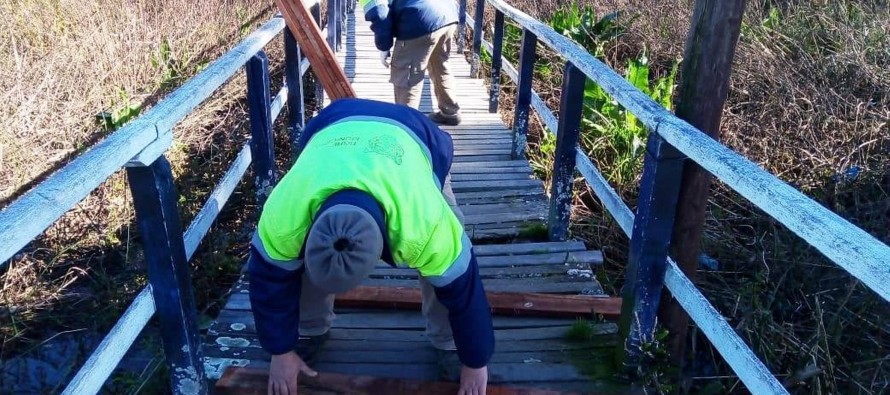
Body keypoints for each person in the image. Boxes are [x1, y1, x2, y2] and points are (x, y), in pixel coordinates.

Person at [248, 98, 495, 395]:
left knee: (444, 270)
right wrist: (280, 350)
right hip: (333, 128)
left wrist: (475, 361)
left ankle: (449, 343)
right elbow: (269, 282)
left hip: (416, 138)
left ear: (387, 245)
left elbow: (464, 289)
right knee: (291, 263)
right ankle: (309, 329)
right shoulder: (284, 216)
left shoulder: (424, 223)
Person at [361, 0, 462, 126]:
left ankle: (406, 125)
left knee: (406, 75)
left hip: (420, 19)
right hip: (447, 15)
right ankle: (450, 112)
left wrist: (384, 47)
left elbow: (380, 14)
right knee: (440, 65)